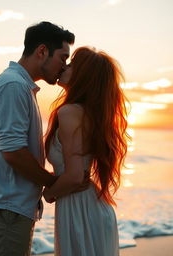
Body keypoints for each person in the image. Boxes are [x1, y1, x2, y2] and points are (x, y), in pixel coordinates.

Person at [0, 21, 76, 256]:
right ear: (42, 51)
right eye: (62, 57)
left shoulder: (21, 86)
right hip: (7, 205)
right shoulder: (13, 86)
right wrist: (53, 182)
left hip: (10, 205)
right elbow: (13, 152)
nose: (64, 65)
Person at [43, 46, 129, 256]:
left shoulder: (70, 112)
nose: (65, 66)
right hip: (87, 207)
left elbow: (74, 176)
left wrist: (48, 193)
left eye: (72, 65)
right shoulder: (88, 113)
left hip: (80, 208)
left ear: (84, 76)